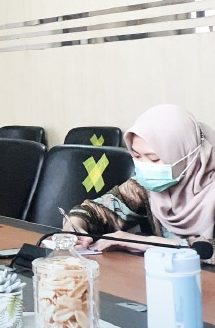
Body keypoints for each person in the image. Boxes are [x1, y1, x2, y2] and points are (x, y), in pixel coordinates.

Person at [63, 104, 215, 264]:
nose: (145, 165)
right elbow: (98, 210)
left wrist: (144, 242)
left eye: (154, 158)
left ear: (187, 153)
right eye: (137, 156)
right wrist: (75, 225)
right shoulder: (148, 184)